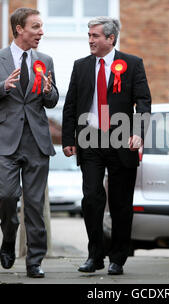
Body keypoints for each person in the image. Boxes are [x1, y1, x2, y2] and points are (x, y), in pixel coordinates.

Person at [62, 16, 151, 275]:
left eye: (95, 36)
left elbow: (143, 102)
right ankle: (95, 255)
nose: (90, 40)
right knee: (91, 198)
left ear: (110, 39)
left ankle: (118, 258)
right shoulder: (81, 67)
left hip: (122, 141)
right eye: (89, 36)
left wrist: (139, 133)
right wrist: (69, 139)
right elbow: (71, 105)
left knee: (121, 202)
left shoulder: (132, 64)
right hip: (90, 140)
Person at [0, 7, 59, 278]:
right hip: (4, 140)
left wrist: (49, 91)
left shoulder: (45, 60)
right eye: (35, 27)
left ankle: (35, 260)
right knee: (7, 196)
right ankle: (8, 236)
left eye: (41, 26)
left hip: (36, 140)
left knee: (35, 203)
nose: (41, 32)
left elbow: (52, 99)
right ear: (19, 29)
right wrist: (3, 86)